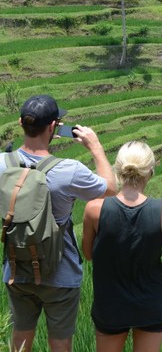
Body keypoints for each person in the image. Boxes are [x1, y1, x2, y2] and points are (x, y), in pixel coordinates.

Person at [0, 94, 117, 352]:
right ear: (54, 127)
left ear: (21, 123)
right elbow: (110, 190)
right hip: (59, 274)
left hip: (16, 269)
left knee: (19, 337)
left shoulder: (1, 164)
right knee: (61, 343)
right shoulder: (69, 170)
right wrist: (96, 147)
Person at [82, 141, 162, 352]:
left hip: (110, 305)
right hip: (150, 305)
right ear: (150, 172)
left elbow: (89, 254)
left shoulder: (93, 210)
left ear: (118, 169)